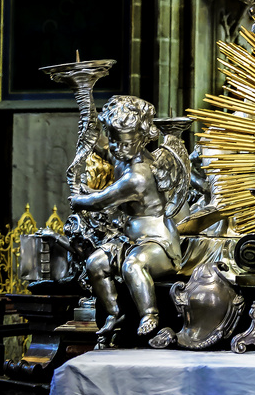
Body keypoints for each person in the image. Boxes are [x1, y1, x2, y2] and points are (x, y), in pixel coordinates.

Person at [71, 96, 182, 341]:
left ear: (142, 139)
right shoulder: (123, 155)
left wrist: (80, 199)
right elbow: (97, 142)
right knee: (95, 263)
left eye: (124, 144)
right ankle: (115, 312)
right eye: (113, 141)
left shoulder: (138, 175)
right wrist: (85, 98)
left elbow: (100, 201)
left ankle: (149, 313)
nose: (116, 149)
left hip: (158, 243)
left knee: (133, 265)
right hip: (130, 239)